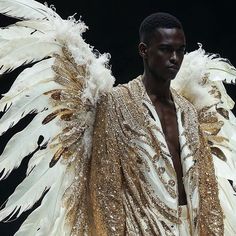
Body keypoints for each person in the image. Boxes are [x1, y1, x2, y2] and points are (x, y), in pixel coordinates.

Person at [0, 1, 236, 235]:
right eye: (165, 49)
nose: (175, 57)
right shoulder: (116, 104)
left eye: (180, 50)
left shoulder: (189, 111)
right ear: (144, 50)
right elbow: (106, 189)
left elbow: (207, 190)